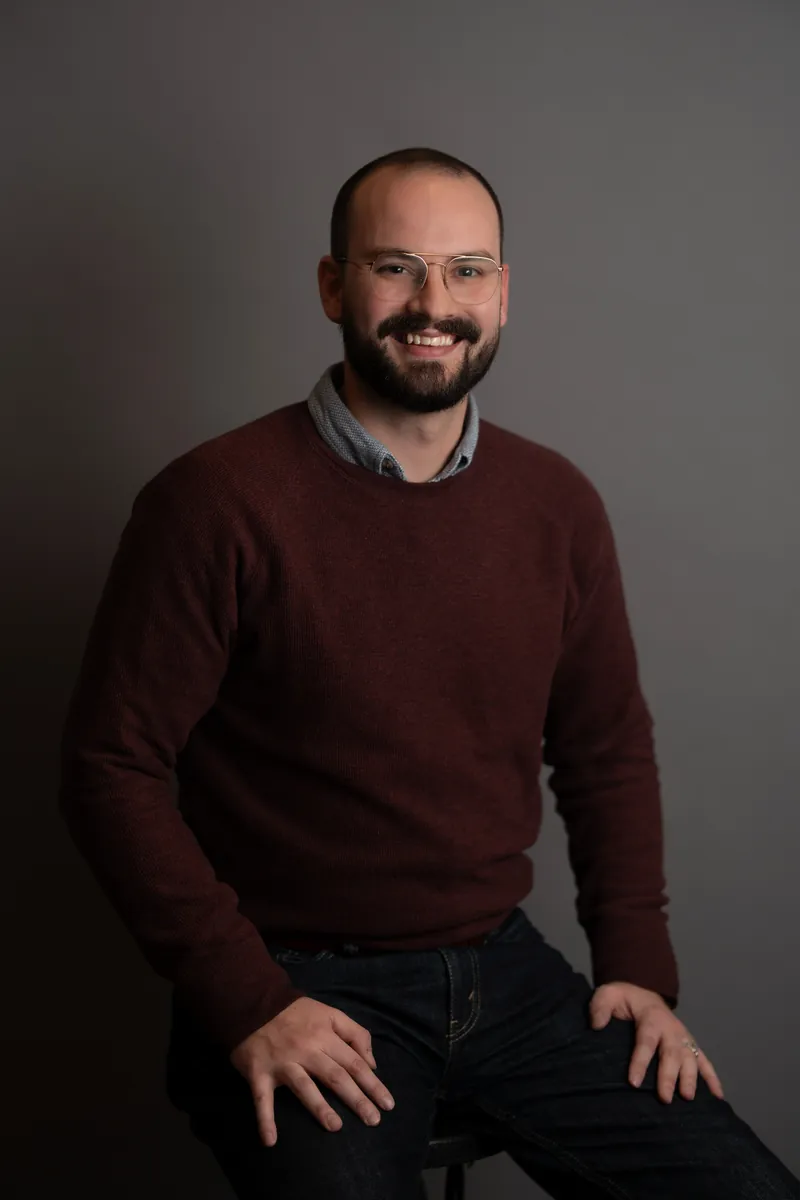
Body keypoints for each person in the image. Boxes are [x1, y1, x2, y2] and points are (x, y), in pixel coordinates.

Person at [59, 147, 799, 1199]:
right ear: (332, 286)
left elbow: (602, 750)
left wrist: (635, 964)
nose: (431, 304)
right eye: (395, 266)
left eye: (465, 271)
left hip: (507, 971)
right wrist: (244, 998)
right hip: (296, 981)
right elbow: (108, 769)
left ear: (501, 294)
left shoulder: (555, 503)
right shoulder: (211, 502)